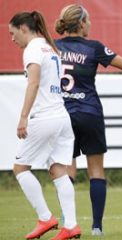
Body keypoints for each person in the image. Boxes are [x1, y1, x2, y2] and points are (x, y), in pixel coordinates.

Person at [54, 4, 122, 236]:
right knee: (96, 171)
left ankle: (68, 222)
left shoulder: (53, 47)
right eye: (89, 20)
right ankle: (97, 227)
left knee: (66, 170)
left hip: (62, 115)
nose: (90, 24)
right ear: (82, 24)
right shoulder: (93, 48)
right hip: (89, 114)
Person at [9, 11, 80, 240]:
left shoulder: (32, 49)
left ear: (23, 28)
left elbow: (34, 82)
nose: (12, 39)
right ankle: (71, 226)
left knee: (20, 168)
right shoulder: (50, 48)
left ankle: (45, 217)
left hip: (45, 117)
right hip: (62, 116)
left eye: (12, 33)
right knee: (58, 169)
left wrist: (23, 117)